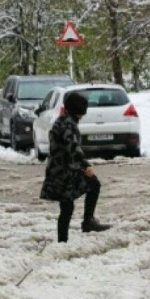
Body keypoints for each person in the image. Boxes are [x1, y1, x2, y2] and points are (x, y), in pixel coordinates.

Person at [40, 92, 111, 242]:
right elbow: (72, 147)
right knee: (77, 198)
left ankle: (71, 234)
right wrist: (85, 166)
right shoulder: (68, 124)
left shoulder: (64, 121)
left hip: (61, 169)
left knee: (69, 205)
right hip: (64, 171)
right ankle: (83, 225)